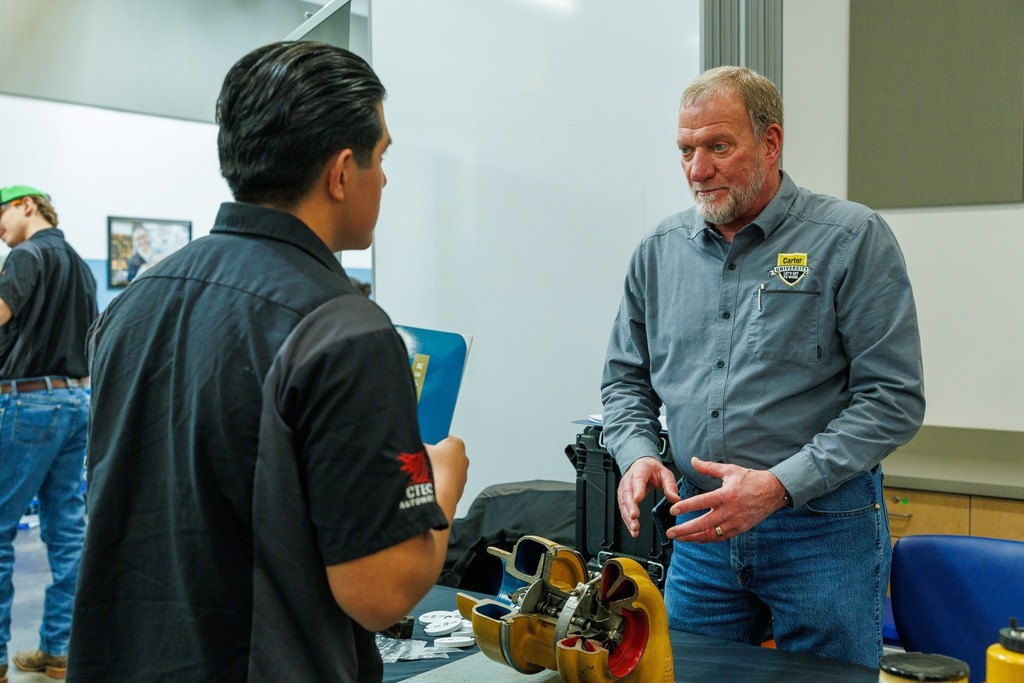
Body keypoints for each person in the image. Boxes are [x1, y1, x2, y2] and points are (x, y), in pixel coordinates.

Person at [68, 41, 469, 682]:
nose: (385, 178)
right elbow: (380, 594)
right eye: (382, 155)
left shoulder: (135, 302)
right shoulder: (347, 332)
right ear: (342, 172)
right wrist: (441, 484)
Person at [600, 66, 924, 668]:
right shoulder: (657, 253)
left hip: (821, 532)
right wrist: (638, 451)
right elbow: (625, 382)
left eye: (718, 147)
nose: (698, 170)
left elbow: (893, 400)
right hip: (700, 532)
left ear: (770, 143)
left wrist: (777, 487)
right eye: (686, 151)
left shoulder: (849, 238)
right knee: (689, 672)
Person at [0, 185, 96, 681]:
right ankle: (58, 649)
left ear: (26, 205)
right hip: (78, 401)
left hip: (26, 401)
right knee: (67, 535)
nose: (0, 230)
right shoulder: (80, 265)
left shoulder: (25, 256)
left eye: (0, 216)